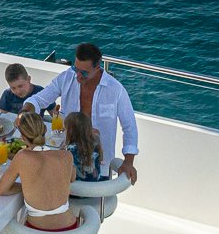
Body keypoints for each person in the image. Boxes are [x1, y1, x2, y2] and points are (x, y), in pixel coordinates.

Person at [24, 41, 139, 184]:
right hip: (67, 161)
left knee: (95, 203)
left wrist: (128, 162)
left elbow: (130, 127)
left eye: (84, 72)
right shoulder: (66, 78)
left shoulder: (116, 89)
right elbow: (39, 100)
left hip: (101, 165)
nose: (78, 76)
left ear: (97, 68)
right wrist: (24, 112)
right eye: (75, 69)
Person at [0, 111, 80, 232]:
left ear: (23, 137)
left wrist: (28, 186)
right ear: (45, 129)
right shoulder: (66, 155)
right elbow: (71, 178)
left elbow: (1, 190)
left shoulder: (22, 156)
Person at [64, 111, 108, 181]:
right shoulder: (96, 141)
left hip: (80, 187)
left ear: (70, 131)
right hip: (96, 183)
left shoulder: (71, 149)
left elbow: (69, 174)